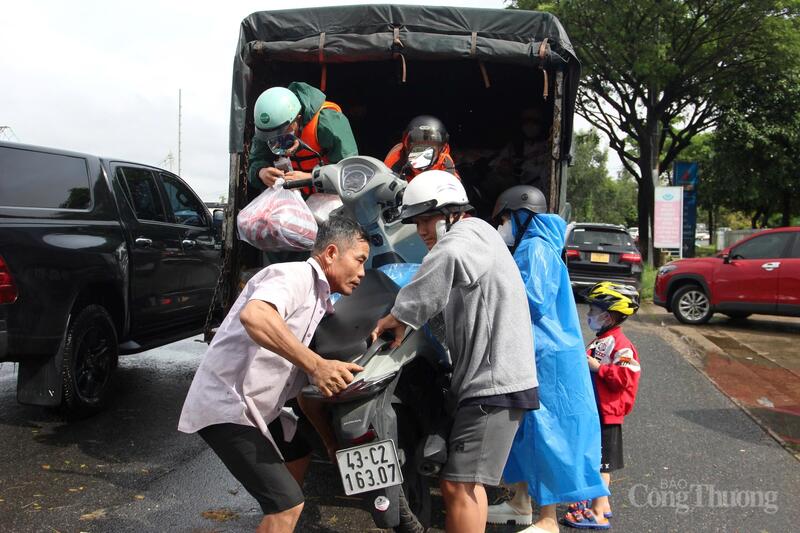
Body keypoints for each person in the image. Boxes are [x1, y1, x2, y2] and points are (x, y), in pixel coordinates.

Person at [370, 170, 539, 533]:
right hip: (489, 381)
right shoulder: (479, 239)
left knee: (459, 485)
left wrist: (399, 315)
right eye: (416, 224)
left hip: (494, 384)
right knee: (459, 484)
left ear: (451, 212)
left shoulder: (469, 235)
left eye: (427, 219)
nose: (422, 231)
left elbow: (444, 261)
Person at [178, 216, 369, 533]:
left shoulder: (318, 300)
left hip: (258, 408)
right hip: (227, 406)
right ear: (332, 253)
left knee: (298, 449)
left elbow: (303, 392)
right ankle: (281, 513)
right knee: (288, 503)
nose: (362, 272)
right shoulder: (293, 276)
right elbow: (255, 315)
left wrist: (330, 444)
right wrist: (317, 364)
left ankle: (278, 518)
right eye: (359, 260)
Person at [486, 186, 608, 533]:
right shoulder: (536, 246)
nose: (502, 226)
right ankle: (520, 502)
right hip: (539, 353)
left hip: (546, 357)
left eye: (506, 219)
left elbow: (530, 299)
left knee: (545, 433)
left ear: (523, 217)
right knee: (523, 432)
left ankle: (547, 519)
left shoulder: (535, 248)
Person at [562, 282, 642, 530]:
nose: (588, 315)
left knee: (601, 464)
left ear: (607, 316)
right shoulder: (605, 340)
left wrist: (599, 368)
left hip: (608, 414)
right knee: (597, 460)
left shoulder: (621, 345)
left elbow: (627, 377)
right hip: (598, 411)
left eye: (592, 311)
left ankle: (597, 512)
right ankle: (602, 505)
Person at [249, 82, 358, 190]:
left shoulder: (328, 123)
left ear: (298, 119)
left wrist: (310, 178)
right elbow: (255, 161)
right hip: (290, 198)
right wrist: (260, 172)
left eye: (281, 134)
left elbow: (351, 174)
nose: (276, 141)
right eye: (270, 136)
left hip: (328, 196)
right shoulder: (267, 129)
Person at [384, 115, 459, 181]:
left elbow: (455, 190)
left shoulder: (446, 165)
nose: (424, 150)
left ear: (441, 148)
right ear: (407, 145)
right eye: (418, 144)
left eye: (431, 145)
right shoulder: (396, 160)